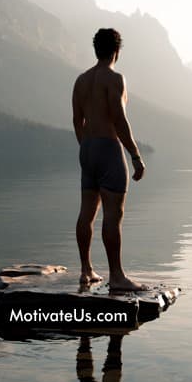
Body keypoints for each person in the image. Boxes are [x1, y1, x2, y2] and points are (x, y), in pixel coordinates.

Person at [72, 28, 147, 290]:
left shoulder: (81, 81)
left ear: (96, 50)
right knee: (113, 216)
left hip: (88, 148)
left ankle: (86, 271)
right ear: (117, 51)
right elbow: (119, 119)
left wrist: (87, 149)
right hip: (108, 148)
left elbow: (77, 121)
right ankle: (116, 277)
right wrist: (135, 155)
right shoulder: (115, 79)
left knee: (87, 213)